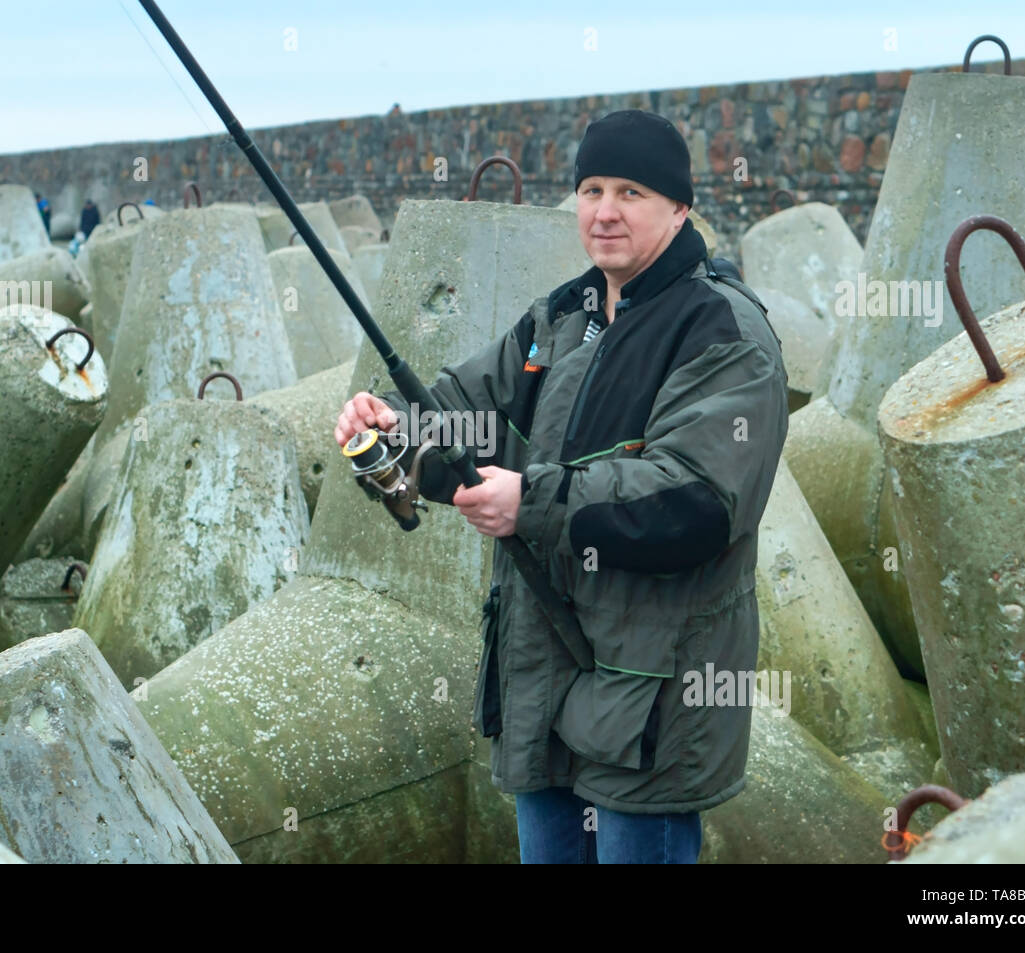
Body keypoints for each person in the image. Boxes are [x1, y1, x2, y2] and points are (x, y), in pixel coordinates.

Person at [333, 110, 789, 864]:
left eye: (631, 192)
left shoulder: (722, 330)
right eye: (590, 189)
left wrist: (531, 500)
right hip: (542, 686)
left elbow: (697, 501)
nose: (604, 212)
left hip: (652, 704)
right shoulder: (561, 317)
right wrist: (391, 430)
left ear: (680, 207)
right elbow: (462, 423)